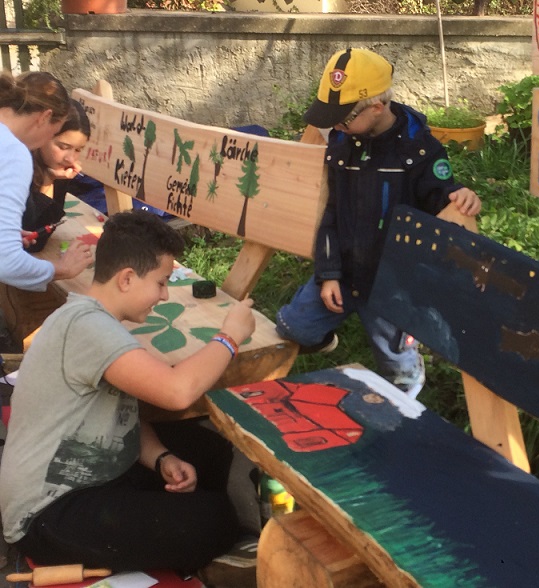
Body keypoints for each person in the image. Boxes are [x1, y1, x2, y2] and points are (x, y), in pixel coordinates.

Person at [0, 209, 256, 575]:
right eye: (161, 282)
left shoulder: (92, 319)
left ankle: (181, 531)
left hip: (88, 472)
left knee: (209, 449)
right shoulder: (89, 329)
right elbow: (178, 392)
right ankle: (201, 544)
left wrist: (162, 458)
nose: (164, 295)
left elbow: (121, 416)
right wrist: (229, 337)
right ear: (127, 278)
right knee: (214, 520)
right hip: (46, 512)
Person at [275, 47, 482, 398]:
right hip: (345, 270)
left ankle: (409, 380)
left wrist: (459, 195)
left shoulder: (420, 150)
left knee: (396, 365)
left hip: (391, 281)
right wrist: (328, 273)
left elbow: (441, 195)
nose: (336, 127)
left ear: (376, 107)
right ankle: (331, 327)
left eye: (343, 119)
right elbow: (332, 213)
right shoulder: (342, 144)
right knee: (291, 327)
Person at [0, 71, 92, 291]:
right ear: (44, 117)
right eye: (54, 134)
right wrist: (60, 269)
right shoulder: (13, 153)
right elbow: (6, 262)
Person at [22, 98, 91, 253]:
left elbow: (43, 233)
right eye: (63, 147)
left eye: (78, 150)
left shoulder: (56, 167)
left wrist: (51, 179)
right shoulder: (19, 166)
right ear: (44, 135)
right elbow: (30, 242)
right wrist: (48, 181)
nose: (70, 159)